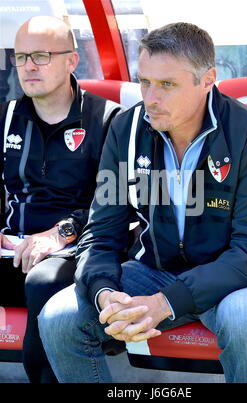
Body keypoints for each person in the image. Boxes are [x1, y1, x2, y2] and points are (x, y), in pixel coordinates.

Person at [38, 22, 247, 383]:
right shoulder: (126, 130)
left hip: (240, 279)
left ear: (207, 80)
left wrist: (166, 302)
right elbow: (102, 232)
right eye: (145, 82)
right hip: (154, 270)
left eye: (167, 84)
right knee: (58, 318)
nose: (150, 98)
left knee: (245, 319)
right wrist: (104, 293)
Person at [0, 16, 123, 383]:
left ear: (72, 61)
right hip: (14, 249)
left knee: (44, 280)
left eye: (40, 55)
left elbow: (118, 204)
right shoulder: (6, 118)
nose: (28, 67)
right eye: (20, 57)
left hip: (77, 250)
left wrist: (60, 232)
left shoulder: (108, 118)